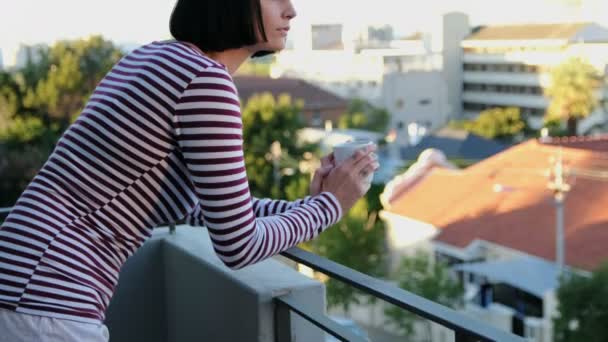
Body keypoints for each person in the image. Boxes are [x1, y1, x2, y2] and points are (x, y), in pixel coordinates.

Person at [0, 0, 379, 341]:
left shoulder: (152, 58)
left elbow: (197, 205)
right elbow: (238, 245)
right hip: (47, 294)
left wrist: (307, 202)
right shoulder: (205, 81)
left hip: (19, 274)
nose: (291, 10)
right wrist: (331, 206)